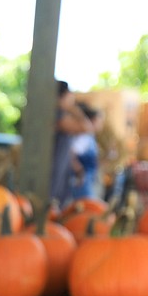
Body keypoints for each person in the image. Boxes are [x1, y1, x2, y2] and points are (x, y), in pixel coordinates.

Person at [50, 80, 94, 208]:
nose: (72, 98)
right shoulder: (58, 116)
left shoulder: (60, 115)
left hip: (60, 170)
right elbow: (86, 127)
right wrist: (73, 108)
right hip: (52, 172)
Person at [69, 103, 103, 201]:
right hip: (83, 180)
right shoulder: (84, 137)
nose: (101, 124)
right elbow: (71, 154)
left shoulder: (90, 137)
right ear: (92, 120)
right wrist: (80, 171)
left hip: (87, 179)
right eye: (99, 120)